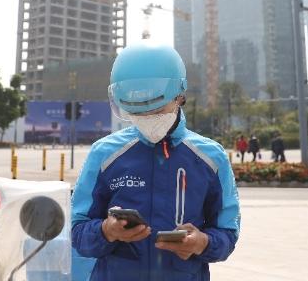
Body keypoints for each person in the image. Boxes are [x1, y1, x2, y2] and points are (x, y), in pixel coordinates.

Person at [71, 44, 241, 280]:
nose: (147, 117)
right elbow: (77, 231)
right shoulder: (104, 153)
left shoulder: (211, 157)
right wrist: (106, 231)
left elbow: (227, 232)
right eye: (137, 112)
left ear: (180, 96)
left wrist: (203, 242)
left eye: (157, 109)